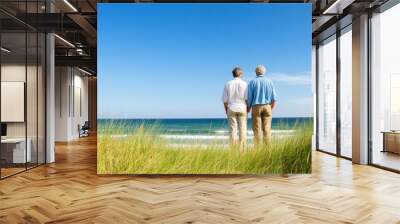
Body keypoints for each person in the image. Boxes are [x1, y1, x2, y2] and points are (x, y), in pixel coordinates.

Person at [247, 65, 277, 145]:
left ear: (256, 72)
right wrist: (271, 108)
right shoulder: (270, 81)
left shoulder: (252, 82)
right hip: (267, 105)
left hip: (256, 106)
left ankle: (258, 149)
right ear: (264, 72)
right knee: (267, 129)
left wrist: (248, 108)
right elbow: (274, 98)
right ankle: (268, 149)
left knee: (257, 129)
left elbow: (249, 97)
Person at [222, 67, 248, 147]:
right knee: (242, 129)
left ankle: (233, 150)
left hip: (231, 107)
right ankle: (242, 150)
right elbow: (247, 98)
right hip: (242, 107)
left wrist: (226, 110)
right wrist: (247, 108)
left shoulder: (228, 84)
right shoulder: (244, 84)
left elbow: (225, 100)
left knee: (233, 130)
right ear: (240, 74)